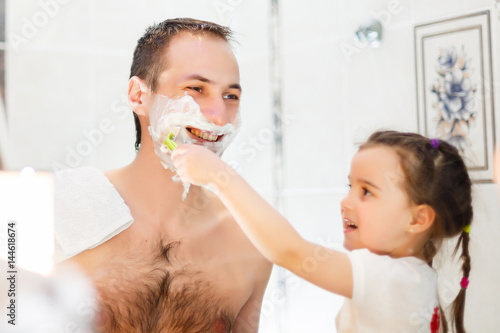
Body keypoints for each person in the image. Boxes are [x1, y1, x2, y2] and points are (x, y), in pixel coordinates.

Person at [55, 18, 272, 332]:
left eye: (230, 96)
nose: (217, 115)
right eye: (196, 89)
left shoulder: (252, 245)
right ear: (138, 96)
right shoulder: (61, 208)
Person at [172, 130, 473, 332]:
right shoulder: (410, 277)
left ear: (418, 220)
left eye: (367, 192)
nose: (345, 202)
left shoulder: (397, 279)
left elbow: (291, 252)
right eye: (350, 187)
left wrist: (218, 176)